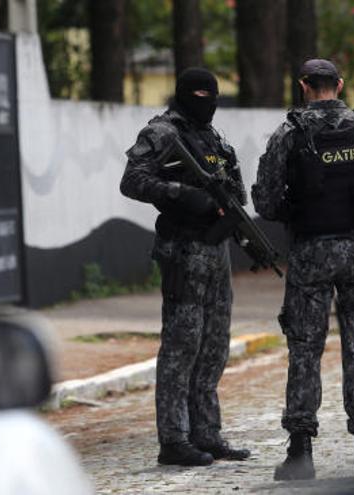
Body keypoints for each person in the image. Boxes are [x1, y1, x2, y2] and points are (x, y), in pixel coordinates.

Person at [252, 59, 354, 480]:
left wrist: (299, 215)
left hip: (309, 256)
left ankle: (300, 454)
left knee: (304, 350)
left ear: (304, 87)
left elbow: (264, 202)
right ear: (339, 85)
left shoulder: (288, 133)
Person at [120, 67, 250, 467]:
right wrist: (180, 193)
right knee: (181, 346)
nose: (205, 101)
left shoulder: (213, 138)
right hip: (182, 250)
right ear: (181, 95)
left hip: (215, 252)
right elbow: (132, 181)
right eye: (197, 94)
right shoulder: (162, 133)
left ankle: (206, 433)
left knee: (214, 345)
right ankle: (173, 439)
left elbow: (237, 189)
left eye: (211, 94)